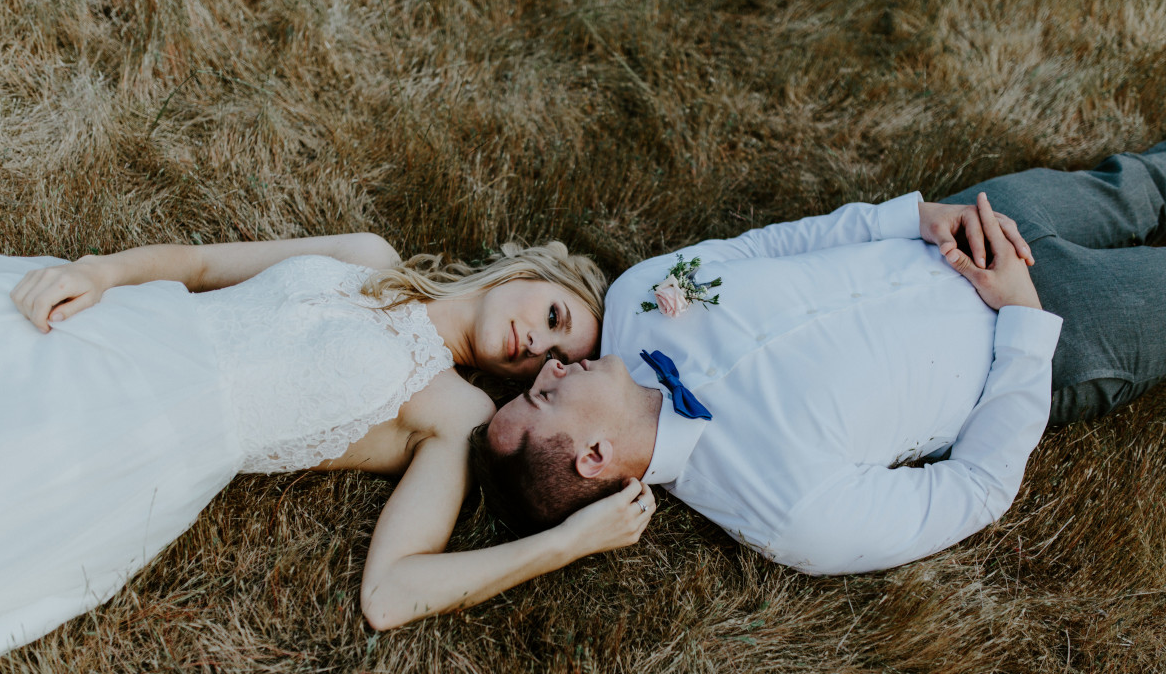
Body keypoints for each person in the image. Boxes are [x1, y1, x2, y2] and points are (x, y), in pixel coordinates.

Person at [0, 232, 640, 674]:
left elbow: (390, 593)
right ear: (527, 275)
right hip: (135, 325)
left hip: (148, 436)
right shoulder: (368, 254)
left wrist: (564, 544)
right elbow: (200, 267)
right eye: (554, 314)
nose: (537, 348)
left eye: (551, 358)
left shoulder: (453, 412)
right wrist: (98, 271)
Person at [472, 142, 1166, 577]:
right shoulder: (787, 514)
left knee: (1139, 182)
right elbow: (976, 488)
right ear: (592, 457)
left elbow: (761, 249)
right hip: (1058, 327)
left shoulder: (635, 303)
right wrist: (1022, 315)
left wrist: (916, 218)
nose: (551, 369)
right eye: (542, 398)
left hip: (969, 227)